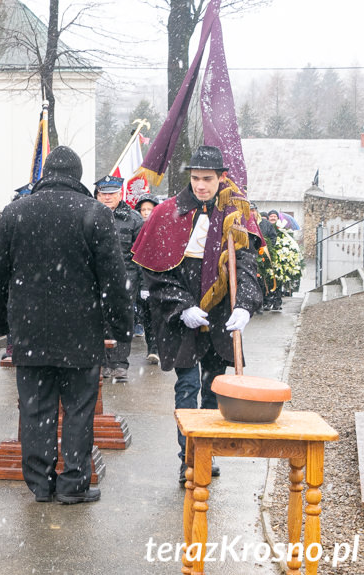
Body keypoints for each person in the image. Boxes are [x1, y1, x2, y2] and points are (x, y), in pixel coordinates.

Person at [0, 146, 132, 504]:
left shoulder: (16, 212)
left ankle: (40, 483)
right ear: (77, 176)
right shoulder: (95, 214)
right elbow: (113, 277)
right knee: (79, 411)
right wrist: (121, 327)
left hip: (30, 331)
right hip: (81, 332)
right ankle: (73, 484)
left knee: (35, 409)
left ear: (45, 173)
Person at [131, 145, 262, 484]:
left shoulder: (235, 214)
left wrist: (245, 305)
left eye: (207, 179)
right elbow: (156, 273)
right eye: (195, 179)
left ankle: (206, 450)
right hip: (183, 316)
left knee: (213, 389)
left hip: (219, 316)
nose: (200, 185)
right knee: (186, 388)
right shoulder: (167, 213)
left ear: (221, 178)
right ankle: (189, 457)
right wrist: (181, 306)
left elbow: (246, 265)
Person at [94, 175, 143, 383]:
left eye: (111, 194)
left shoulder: (134, 219)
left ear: (120, 194)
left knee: (122, 320)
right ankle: (103, 363)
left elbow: (141, 253)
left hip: (126, 279)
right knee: (98, 320)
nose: (107, 198)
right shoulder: (89, 215)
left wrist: (142, 283)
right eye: (103, 194)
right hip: (96, 278)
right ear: (97, 195)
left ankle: (120, 364)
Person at [134, 193, 161, 364]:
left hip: (158, 279)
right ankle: (152, 347)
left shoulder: (162, 228)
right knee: (146, 317)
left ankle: (156, 348)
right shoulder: (136, 228)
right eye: (143, 209)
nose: (145, 213)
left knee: (157, 316)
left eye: (149, 209)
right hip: (140, 279)